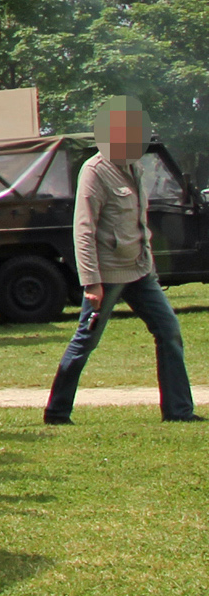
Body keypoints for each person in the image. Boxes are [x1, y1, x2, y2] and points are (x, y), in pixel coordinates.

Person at [44, 98, 201, 425]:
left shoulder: (134, 166)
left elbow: (138, 223)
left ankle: (179, 412)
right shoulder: (95, 171)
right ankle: (57, 413)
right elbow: (83, 231)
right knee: (86, 340)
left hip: (140, 271)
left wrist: (150, 266)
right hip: (108, 274)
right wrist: (91, 283)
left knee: (169, 330)